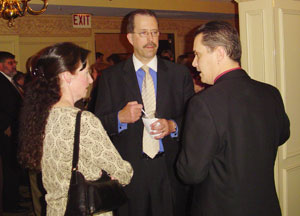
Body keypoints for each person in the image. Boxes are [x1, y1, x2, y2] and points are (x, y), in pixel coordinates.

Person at [176, 21, 290, 216]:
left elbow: (190, 173)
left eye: (198, 54)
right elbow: (282, 136)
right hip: (266, 206)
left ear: (220, 53)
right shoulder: (270, 92)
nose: (194, 63)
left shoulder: (203, 103)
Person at [90, 9, 194, 216]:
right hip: (129, 170)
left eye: (154, 33)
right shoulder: (111, 77)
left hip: (169, 168)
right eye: (143, 33)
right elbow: (97, 125)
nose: (151, 39)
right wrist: (119, 118)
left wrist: (173, 126)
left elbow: (193, 117)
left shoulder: (178, 74)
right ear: (130, 38)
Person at [18, 42, 133, 216]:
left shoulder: (42, 115)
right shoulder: (82, 120)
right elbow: (123, 173)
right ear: (66, 76)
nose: (91, 80)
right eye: (85, 73)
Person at [0, 51, 27, 214]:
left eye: (14, 62)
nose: (14, 65)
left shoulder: (10, 81)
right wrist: (5, 126)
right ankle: (10, 204)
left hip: (15, 130)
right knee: (9, 169)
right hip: (7, 132)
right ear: (1, 65)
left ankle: (15, 197)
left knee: (14, 167)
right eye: (10, 63)